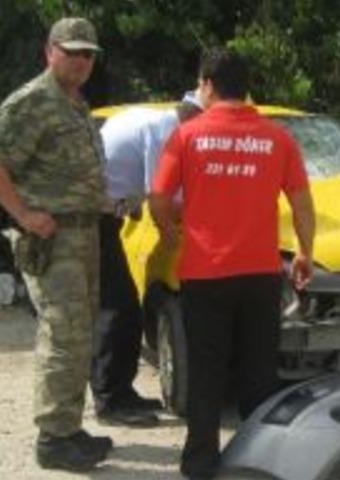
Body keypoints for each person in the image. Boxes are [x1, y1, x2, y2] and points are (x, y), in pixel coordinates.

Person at [150, 47, 316, 479]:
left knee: (206, 371)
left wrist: (170, 232)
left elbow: (159, 198)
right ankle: (257, 461)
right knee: (259, 370)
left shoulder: (187, 136)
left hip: (204, 273)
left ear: (207, 84)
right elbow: (302, 204)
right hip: (260, 273)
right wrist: (305, 253)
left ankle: (200, 463)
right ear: (248, 87)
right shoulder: (278, 138)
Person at [0, 17, 113, 471]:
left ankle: (68, 427)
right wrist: (23, 215)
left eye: (88, 54)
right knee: (64, 335)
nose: (81, 61)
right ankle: (53, 439)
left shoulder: (75, 103)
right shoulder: (31, 103)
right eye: (72, 51)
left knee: (80, 335)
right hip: (53, 238)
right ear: (50, 51)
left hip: (83, 234)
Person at [91, 94, 203, 427]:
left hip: (107, 213)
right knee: (118, 306)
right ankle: (111, 400)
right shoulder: (166, 131)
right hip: (93, 218)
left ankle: (120, 393)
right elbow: (162, 196)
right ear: (194, 120)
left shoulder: (159, 120)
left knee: (121, 305)